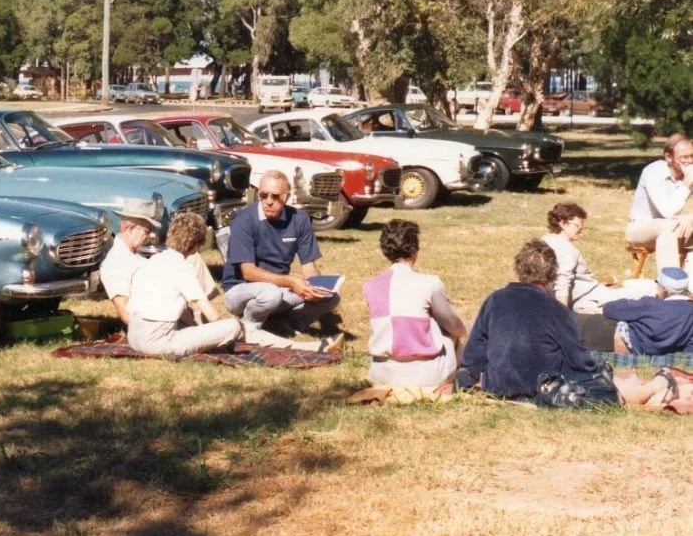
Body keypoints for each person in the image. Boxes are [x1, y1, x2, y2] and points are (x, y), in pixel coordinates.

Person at [460, 240, 604, 398]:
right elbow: (579, 359)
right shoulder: (555, 309)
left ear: (519, 268)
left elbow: (472, 355)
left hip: (497, 385)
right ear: (552, 272)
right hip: (541, 387)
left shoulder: (495, 300)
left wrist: (480, 378)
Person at [221, 169, 342, 348]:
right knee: (270, 294)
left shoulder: (299, 219)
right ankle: (248, 328)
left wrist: (315, 286)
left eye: (275, 196)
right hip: (240, 290)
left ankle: (288, 324)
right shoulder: (244, 220)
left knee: (331, 296)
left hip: (279, 289)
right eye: (263, 195)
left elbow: (309, 266)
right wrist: (292, 282)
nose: (269, 201)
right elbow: (248, 272)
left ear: (287, 197)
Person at [362, 219, 469, 389]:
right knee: (446, 327)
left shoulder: (370, 285)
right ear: (414, 250)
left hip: (381, 373)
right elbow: (456, 328)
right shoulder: (430, 283)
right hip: (427, 376)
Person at [126, 212, 243, 356]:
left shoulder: (153, 261)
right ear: (195, 245)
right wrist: (220, 330)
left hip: (133, 337)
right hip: (157, 343)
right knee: (233, 326)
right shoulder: (182, 267)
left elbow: (182, 312)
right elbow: (209, 312)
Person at [541, 202, 649, 312]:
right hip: (593, 297)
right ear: (563, 224)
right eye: (577, 225)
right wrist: (562, 316)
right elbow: (562, 283)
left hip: (580, 297)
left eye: (582, 225)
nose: (581, 228)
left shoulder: (543, 241)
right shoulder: (567, 249)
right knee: (647, 290)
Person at [626, 134, 693, 272]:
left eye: (692, 156)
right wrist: (687, 183)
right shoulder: (654, 172)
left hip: (673, 229)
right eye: (684, 158)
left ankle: (690, 286)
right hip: (640, 228)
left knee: (676, 227)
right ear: (668, 157)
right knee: (667, 227)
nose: (689, 162)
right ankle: (671, 285)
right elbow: (668, 212)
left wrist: (690, 216)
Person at [603, 266, 693, 355]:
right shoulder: (690, 312)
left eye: (657, 284)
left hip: (628, 344)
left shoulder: (652, 305)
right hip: (658, 351)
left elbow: (609, 309)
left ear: (664, 289)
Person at [99, 198, 158, 323]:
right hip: (152, 328)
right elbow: (125, 312)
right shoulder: (116, 262)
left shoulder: (134, 255)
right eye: (147, 231)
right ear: (130, 229)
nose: (150, 236)